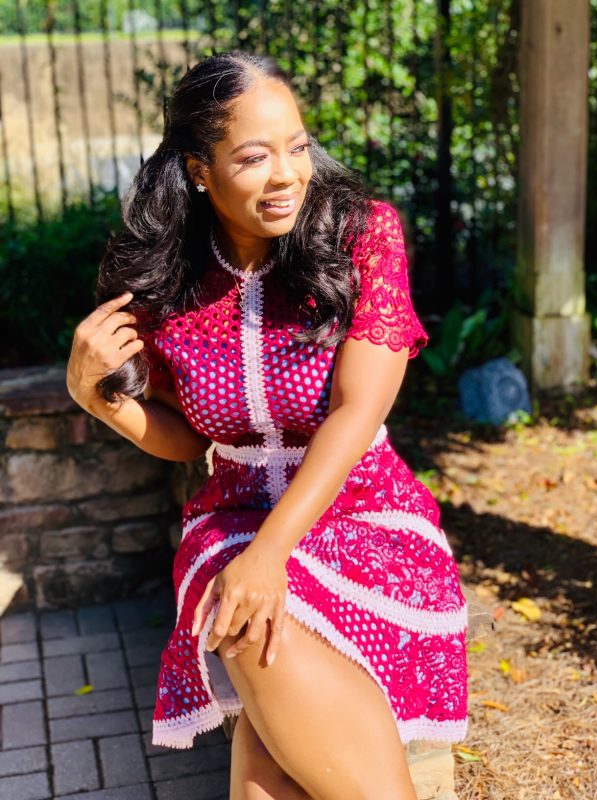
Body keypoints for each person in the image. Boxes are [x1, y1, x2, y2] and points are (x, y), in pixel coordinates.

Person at [67, 50, 468, 800]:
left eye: (297, 146)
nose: (287, 174)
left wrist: (271, 554)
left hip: (363, 512)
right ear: (199, 170)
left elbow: (358, 410)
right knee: (249, 626)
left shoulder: (361, 234)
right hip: (232, 516)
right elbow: (191, 438)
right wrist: (99, 400)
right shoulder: (166, 273)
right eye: (254, 157)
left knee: (254, 666)